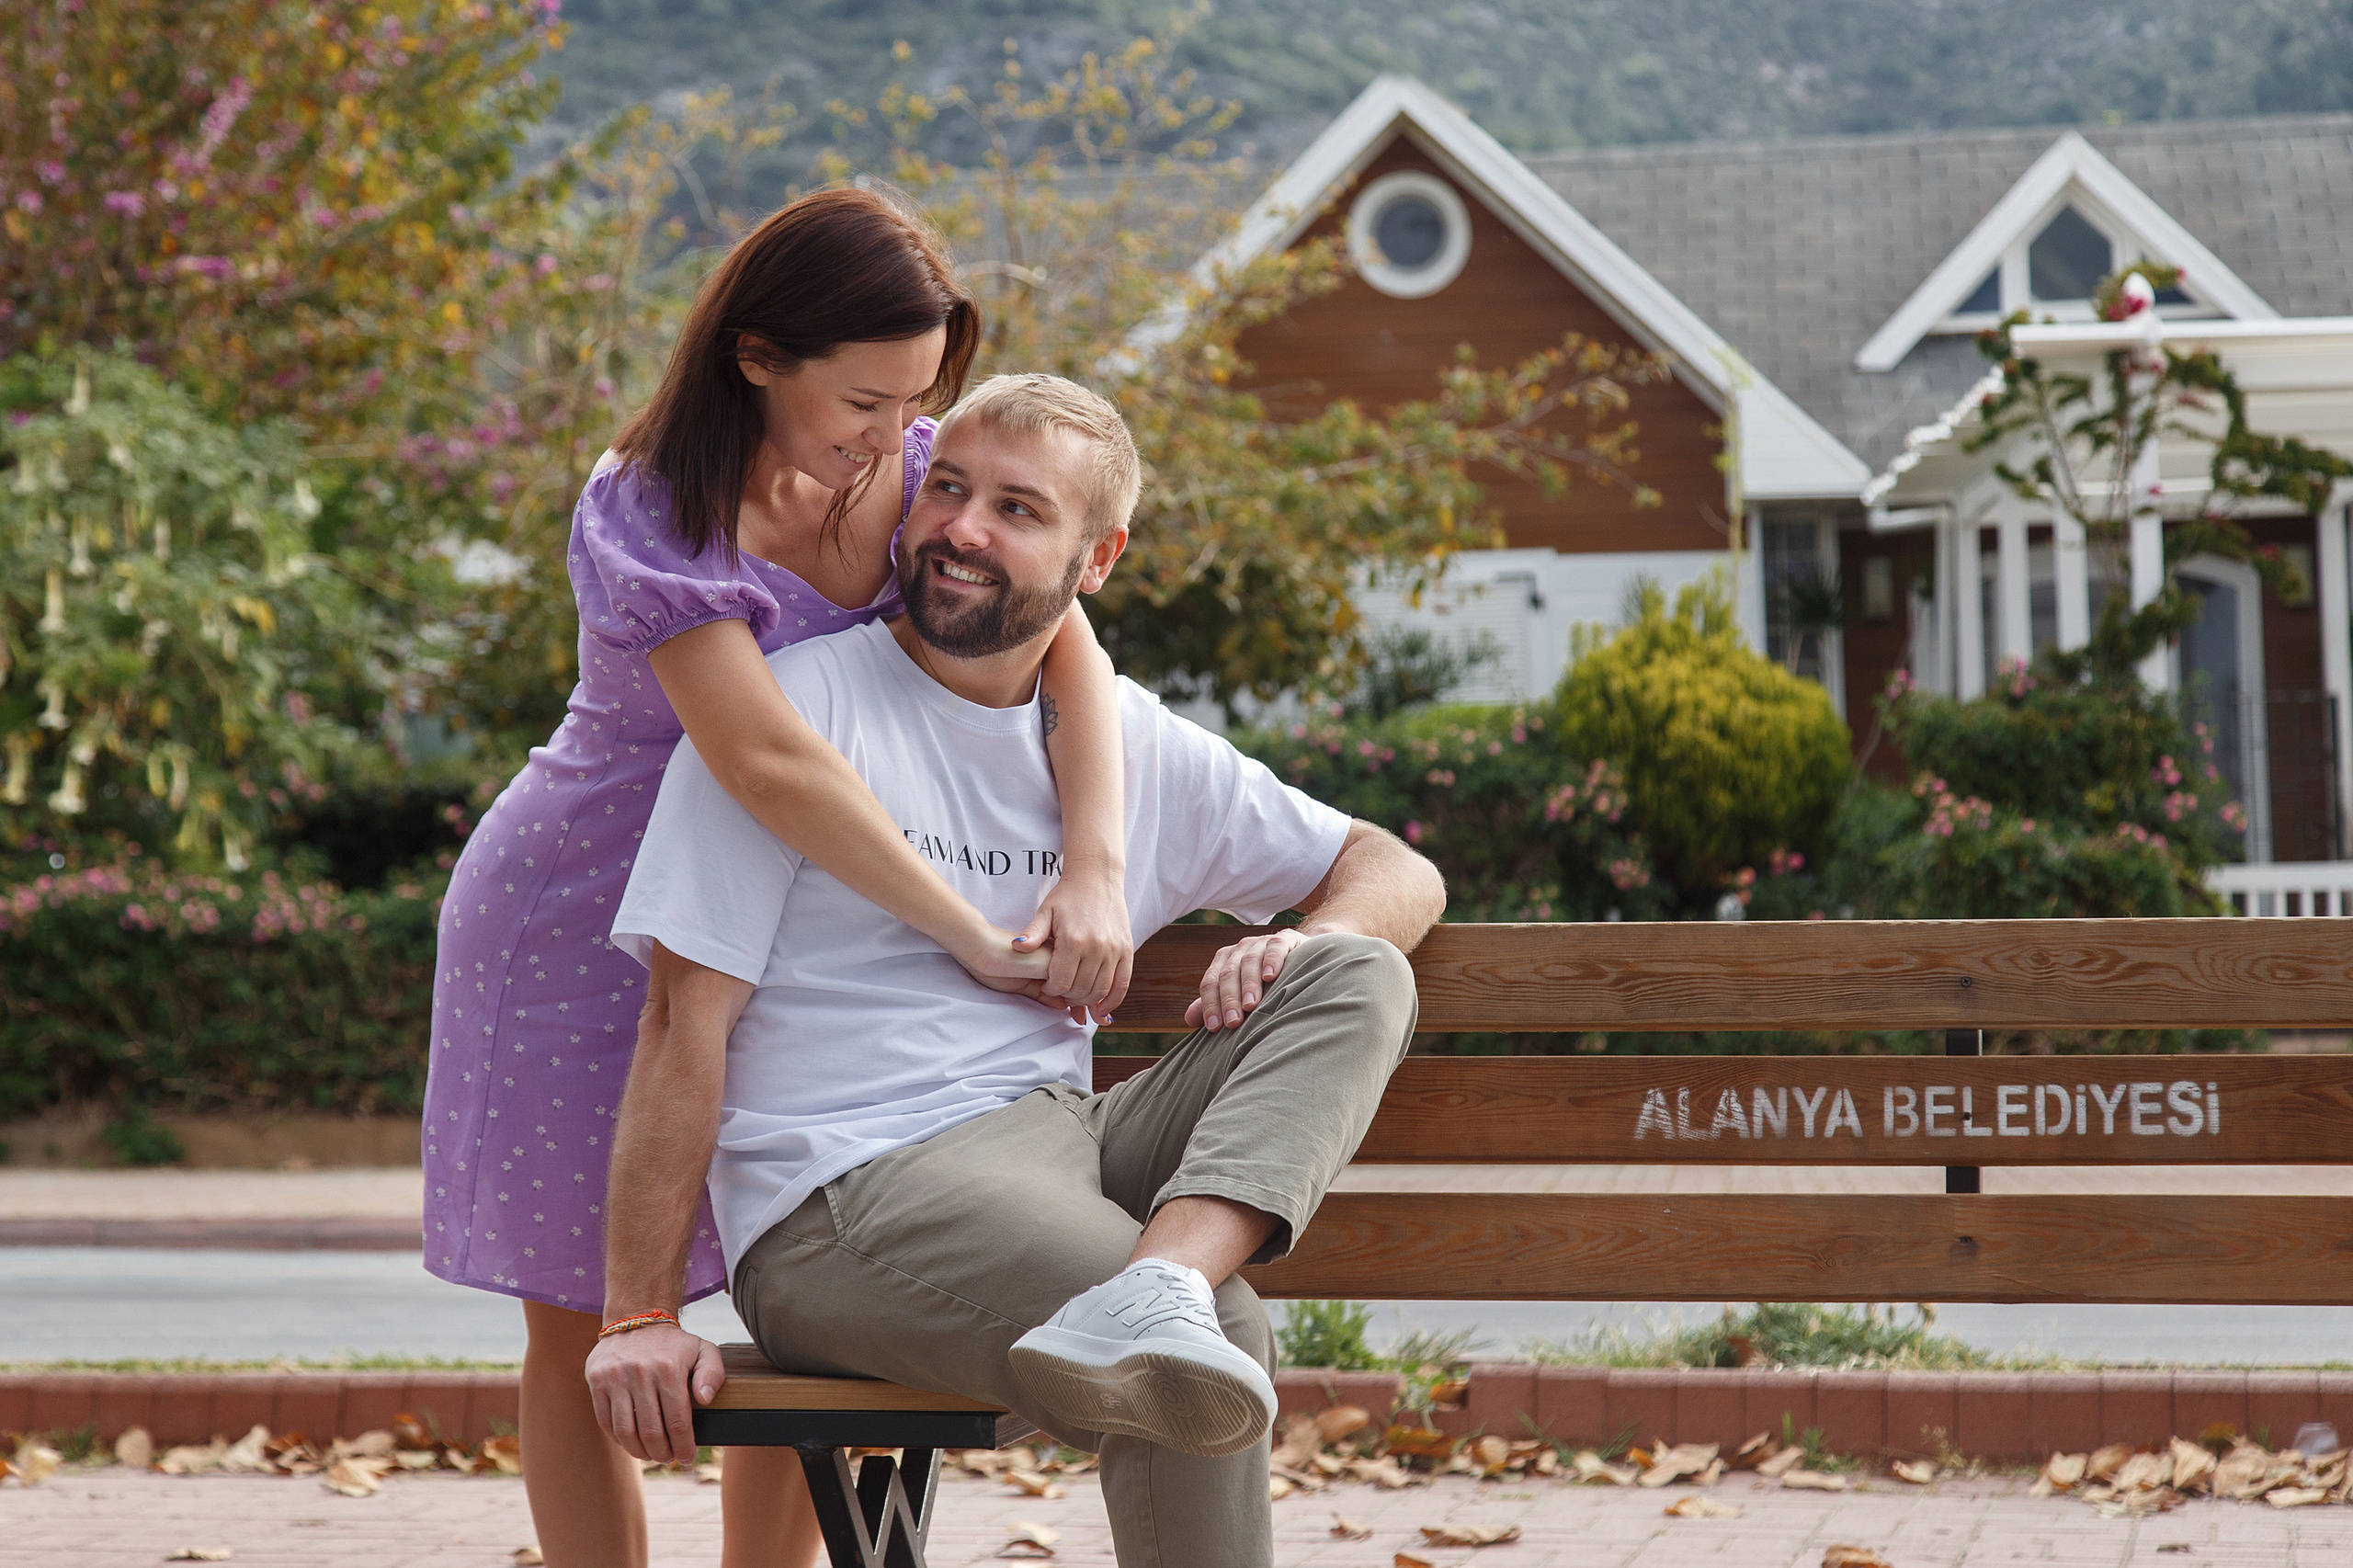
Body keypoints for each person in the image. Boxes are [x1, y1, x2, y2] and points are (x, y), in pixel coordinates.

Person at [587, 373, 1446, 1566]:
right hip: (843, 1194)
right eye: (947, 487)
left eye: (1019, 509)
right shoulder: (796, 717)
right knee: (1212, 1335)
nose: (962, 527)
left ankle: (1163, 1282)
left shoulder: (1134, 742)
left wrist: (1299, 935)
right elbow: (681, 1018)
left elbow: (1393, 864)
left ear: (1098, 559)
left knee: (1358, 973)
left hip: (1063, 1138)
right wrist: (638, 1312)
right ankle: (1169, 1297)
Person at [421, 193, 1138, 1568]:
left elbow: (1072, 650)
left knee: (806, 1295)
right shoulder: (648, 506)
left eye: (915, 400)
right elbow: (765, 761)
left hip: (808, 920)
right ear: (757, 355)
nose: (893, 439)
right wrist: (968, 930)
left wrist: (1094, 869)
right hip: (578, 921)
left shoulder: (923, 469)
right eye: (865, 400)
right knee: (588, 1318)